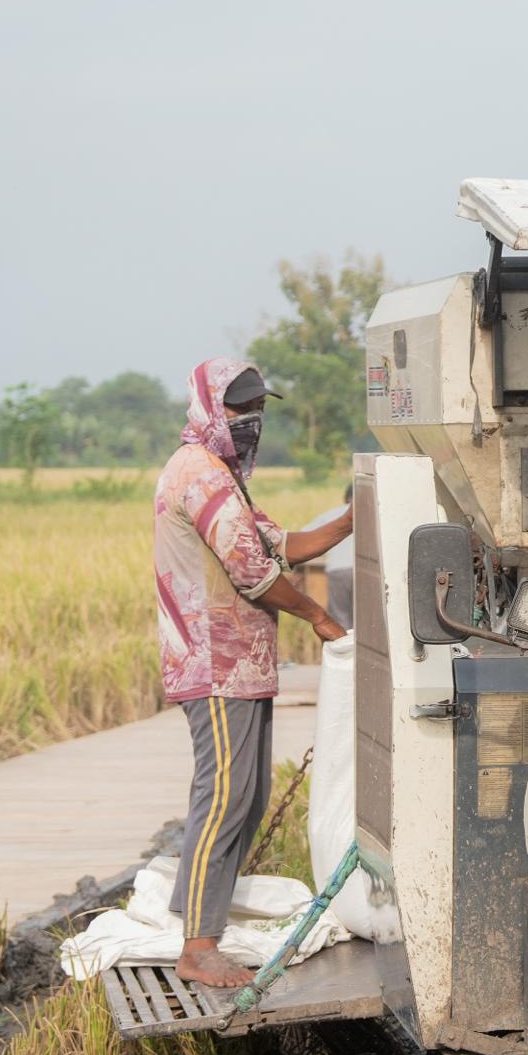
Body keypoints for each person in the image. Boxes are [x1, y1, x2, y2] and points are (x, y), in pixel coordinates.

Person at [152, 358, 352, 990]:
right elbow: (254, 572)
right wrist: (318, 617)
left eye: (258, 410)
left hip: (241, 663)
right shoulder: (200, 475)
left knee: (249, 796)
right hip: (213, 661)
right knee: (224, 796)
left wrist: (351, 520)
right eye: (240, 411)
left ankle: (200, 922)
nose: (251, 423)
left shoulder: (222, 478)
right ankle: (199, 945)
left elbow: (279, 543)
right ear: (211, 409)